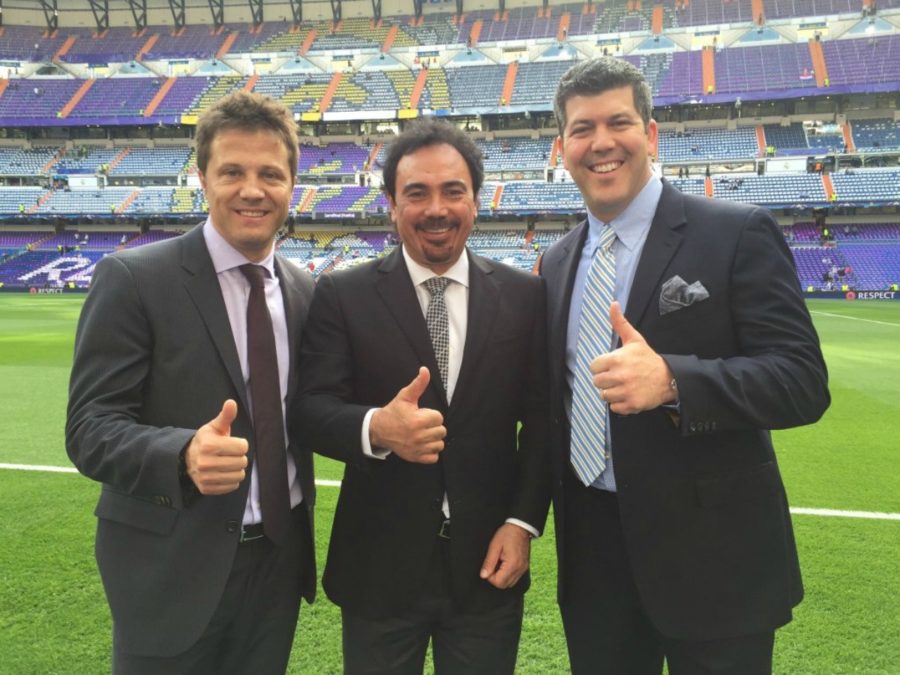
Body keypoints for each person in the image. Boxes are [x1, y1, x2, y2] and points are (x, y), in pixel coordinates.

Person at [539, 57, 830, 674]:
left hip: (715, 562)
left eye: (618, 122)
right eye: (583, 129)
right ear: (562, 147)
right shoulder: (556, 262)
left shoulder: (735, 232)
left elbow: (802, 382)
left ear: (649, 134)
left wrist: (673, 381)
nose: (601, 143)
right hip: (594, 563)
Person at [66, 91, 316, 675]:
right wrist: (181, 453)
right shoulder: (133, 278)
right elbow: (88, 428)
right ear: (202, 177)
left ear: (291, 185)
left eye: (270, 174)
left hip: (276, 567)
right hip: (169, 566)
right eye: (232, 171)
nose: (251, 190)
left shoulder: (307, 291)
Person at [294, 117, 550, 674]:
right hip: (378, 569)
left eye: (453, 191)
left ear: (476, 201)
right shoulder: (342, 294)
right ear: (391, 204)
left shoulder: (525, 297)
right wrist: (374, 430)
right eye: (417, 193)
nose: (437, 208)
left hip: (489, 563)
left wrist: (523, 523)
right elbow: (311, 408)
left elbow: (544, 422)